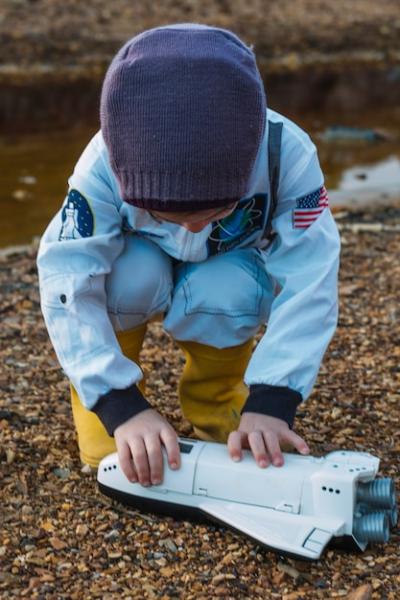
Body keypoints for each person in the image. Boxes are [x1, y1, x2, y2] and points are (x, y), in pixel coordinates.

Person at [37, 23, 340, 488]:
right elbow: (66, 276)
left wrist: (274, 398)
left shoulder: (287, 154)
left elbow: (312, 276)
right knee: (124, 275)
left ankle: (216, 399)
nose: (195, 228)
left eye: (217, 210)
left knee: (229, 288)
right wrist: (119, 406)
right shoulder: (102, 160)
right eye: (165, 214)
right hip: (137, 265)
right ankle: (106, 409)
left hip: (229, 266)